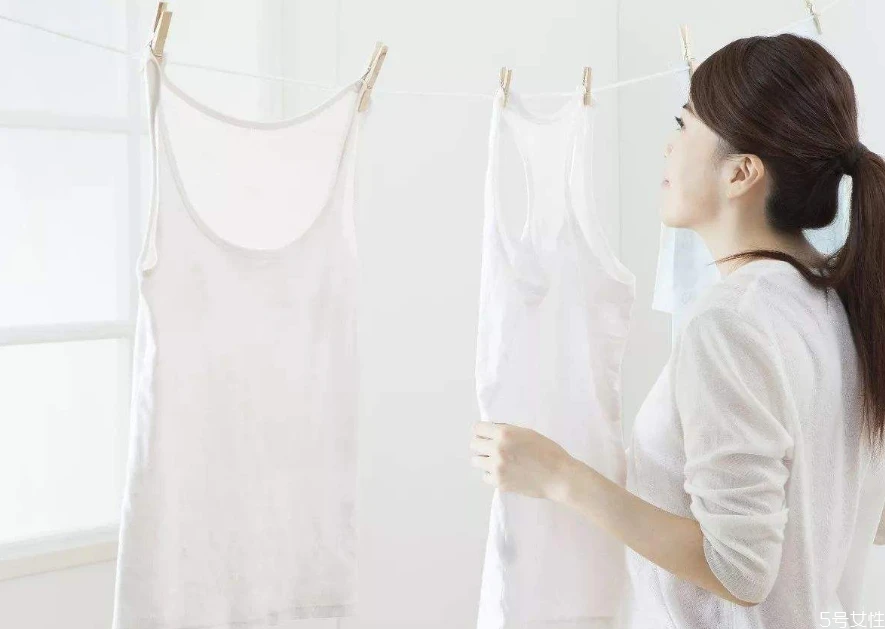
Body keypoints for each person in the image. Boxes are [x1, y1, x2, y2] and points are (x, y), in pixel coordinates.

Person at [470, 33, 885, 628]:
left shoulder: (732, 323)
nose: (668, 145)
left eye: (683, 124)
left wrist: (561, 477)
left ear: (741, 173)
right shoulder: (836, 301)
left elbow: (740, 570)